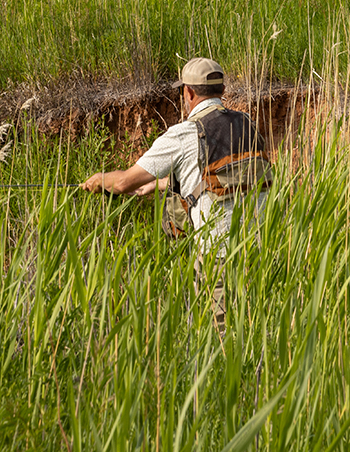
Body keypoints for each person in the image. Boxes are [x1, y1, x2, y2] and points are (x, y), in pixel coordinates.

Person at [79, 57, 273, 328]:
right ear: (221, 91)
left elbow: (123, 183)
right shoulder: (247, 124)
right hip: (262, 252)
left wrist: (99, 180)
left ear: (189, 93)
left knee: (218, 341)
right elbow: (219, 177)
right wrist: (157, 185)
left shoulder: (183, 134)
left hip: (218, 257)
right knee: (258, 335)